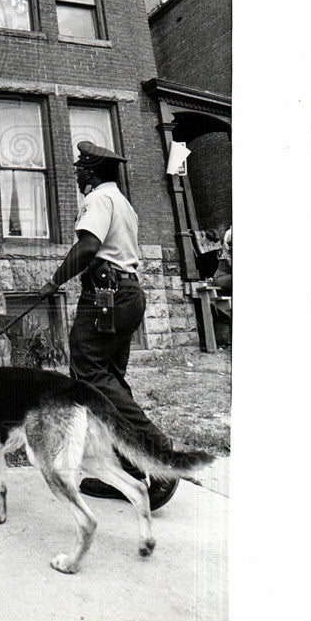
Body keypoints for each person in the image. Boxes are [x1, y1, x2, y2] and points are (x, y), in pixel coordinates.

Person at [37, 140, 179, 510]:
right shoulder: (123, 203)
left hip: (107, 296)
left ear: (93, 171)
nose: (78, 174)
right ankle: (132, 472)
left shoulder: (99, 199)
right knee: (110, 381)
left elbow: (88, 247)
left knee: (88, 375)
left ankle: (157, 450)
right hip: (126, 295)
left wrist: (54, 281)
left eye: (82, 169)